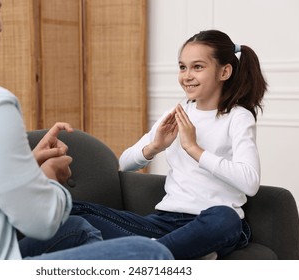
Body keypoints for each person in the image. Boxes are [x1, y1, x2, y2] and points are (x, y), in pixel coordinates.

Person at [0, 0, 173, 260]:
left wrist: (25, 167)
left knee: (76, 229)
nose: (0, 24)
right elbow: (41, 221)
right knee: (149, 253)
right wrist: (48, 177)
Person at [71, 29, 268, 259]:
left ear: (224, 71)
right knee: (73, 209)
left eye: (198, 67)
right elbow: (124, 164)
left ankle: (153, 252)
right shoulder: (177, 113)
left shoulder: (237, 117)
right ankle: (175, 250)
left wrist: (194, 149)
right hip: (165, 221)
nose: (187, 75)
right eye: (182, 67)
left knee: (225, 219)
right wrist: (155, 146)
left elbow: (250, 182)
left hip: (213, 221)